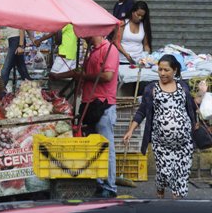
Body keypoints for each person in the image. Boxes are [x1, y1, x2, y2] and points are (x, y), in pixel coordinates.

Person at [123, 54, 197, 199]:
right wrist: (131, 130)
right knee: (164, 174)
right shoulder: (151, 89)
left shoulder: (183, 86)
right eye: (160, 69)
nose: (162, 73)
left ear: (174, 70)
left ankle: (177, 204)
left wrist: (201, 94)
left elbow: (191, 107)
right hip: (161, 144)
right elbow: (142, 111)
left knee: (180, 178)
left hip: (184, 143)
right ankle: (160, 192)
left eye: (166, 70)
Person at [73, 35, 119, 198]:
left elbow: (107, 76)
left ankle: (110, 185)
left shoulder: (109, 50)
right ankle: (99, 182)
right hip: (89, 103)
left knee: (106, 146)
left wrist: (85, 76)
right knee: (94, 146)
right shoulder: (93, 51)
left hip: (103, 103)